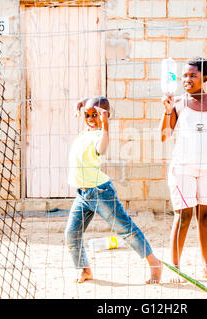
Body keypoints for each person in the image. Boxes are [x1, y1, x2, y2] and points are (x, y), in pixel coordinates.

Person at [65, 96, 163, 284]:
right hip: (83, 194)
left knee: (124, 228)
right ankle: (84, 269)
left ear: (105, 115)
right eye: (88, 114)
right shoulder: (86, 131)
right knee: (72, 232)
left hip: (100, 193)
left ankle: (154, 263)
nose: (91, 118)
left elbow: (101, 149)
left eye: (96, 115)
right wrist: (81, 103)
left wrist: (105, 124)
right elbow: (88, 105)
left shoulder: (99, 135)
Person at [160, 56, 207, 283]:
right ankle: (176, 268)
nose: (186, 79)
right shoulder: (178, 102)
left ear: (206, 78)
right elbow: (164, 135)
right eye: (184, 75)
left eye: (193, 75)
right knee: (183, 216)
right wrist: (167, 111)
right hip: (183, 168)